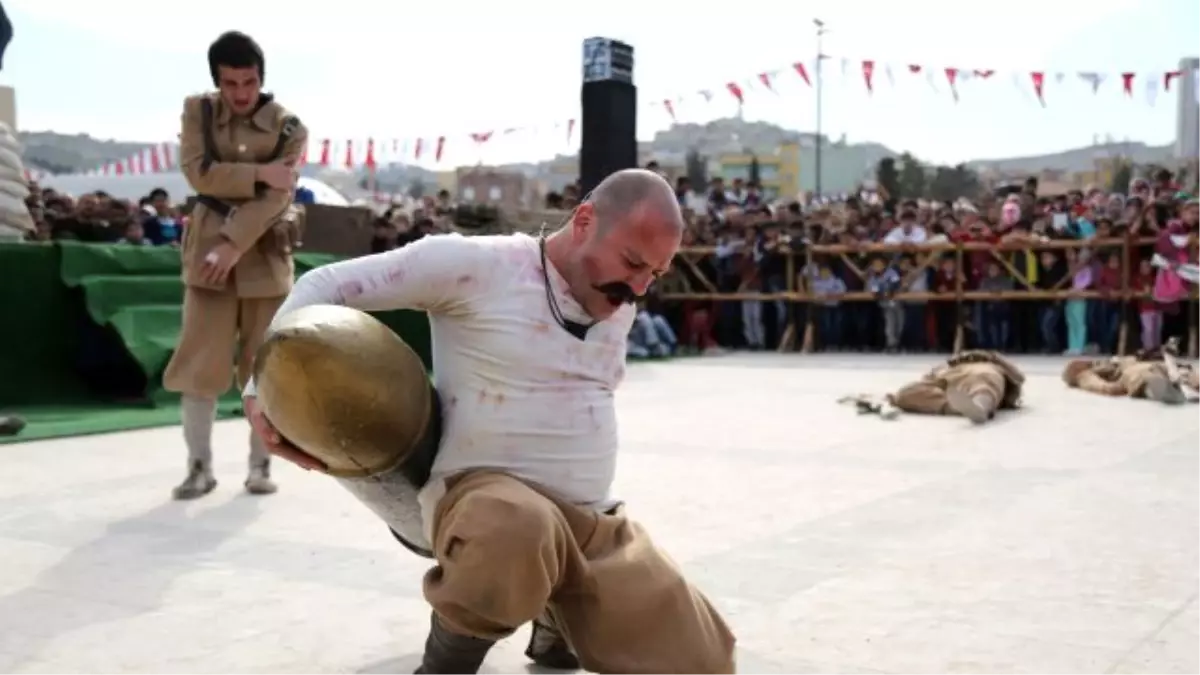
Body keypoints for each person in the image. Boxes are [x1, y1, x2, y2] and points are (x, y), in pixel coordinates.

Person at [243, 169, 735, 675]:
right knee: (517, 527)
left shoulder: (615, 296)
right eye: (632, 262)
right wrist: (259, 392)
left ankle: (555, 615)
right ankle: (444, 667)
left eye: (653, 275)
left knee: (705, 661)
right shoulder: (477, 265)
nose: (637, 289)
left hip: (590, 523)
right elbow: (322, 284)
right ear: (585, 221)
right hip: (486, 505)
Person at [162, 31, 308, 500]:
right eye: (231, 84)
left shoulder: (289, 127)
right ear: (216, 82)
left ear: (262, 79)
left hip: (263, 257)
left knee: (265, 369)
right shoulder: (197, 112)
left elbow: (277, 197)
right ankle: (198, 467)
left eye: (249, 82)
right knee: (199, 367)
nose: (241, 93)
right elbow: (196, 172)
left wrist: (232, 242)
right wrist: (260, 173)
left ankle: (261, 465)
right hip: (207, 259)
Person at [840, 350, 1025, 424]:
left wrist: (992, 358)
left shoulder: (990, 362)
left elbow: (1019, 377)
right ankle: (957, 407)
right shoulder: (948, 364)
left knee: (983, 383)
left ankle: (980, 408)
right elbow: (926, 380)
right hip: (948, 378)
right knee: (906, 393)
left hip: (982, 372)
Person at [1062, 338, 1198, 404]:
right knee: (1144, 378)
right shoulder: (1084, 375)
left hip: (1156, 365)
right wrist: (1112, 388)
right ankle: (1164, 391)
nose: (1081, 361)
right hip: (1135, 373)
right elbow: (1098, 385)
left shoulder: (1104, 363)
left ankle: (1183, 386)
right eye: (1077, 363)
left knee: (1181, 372)